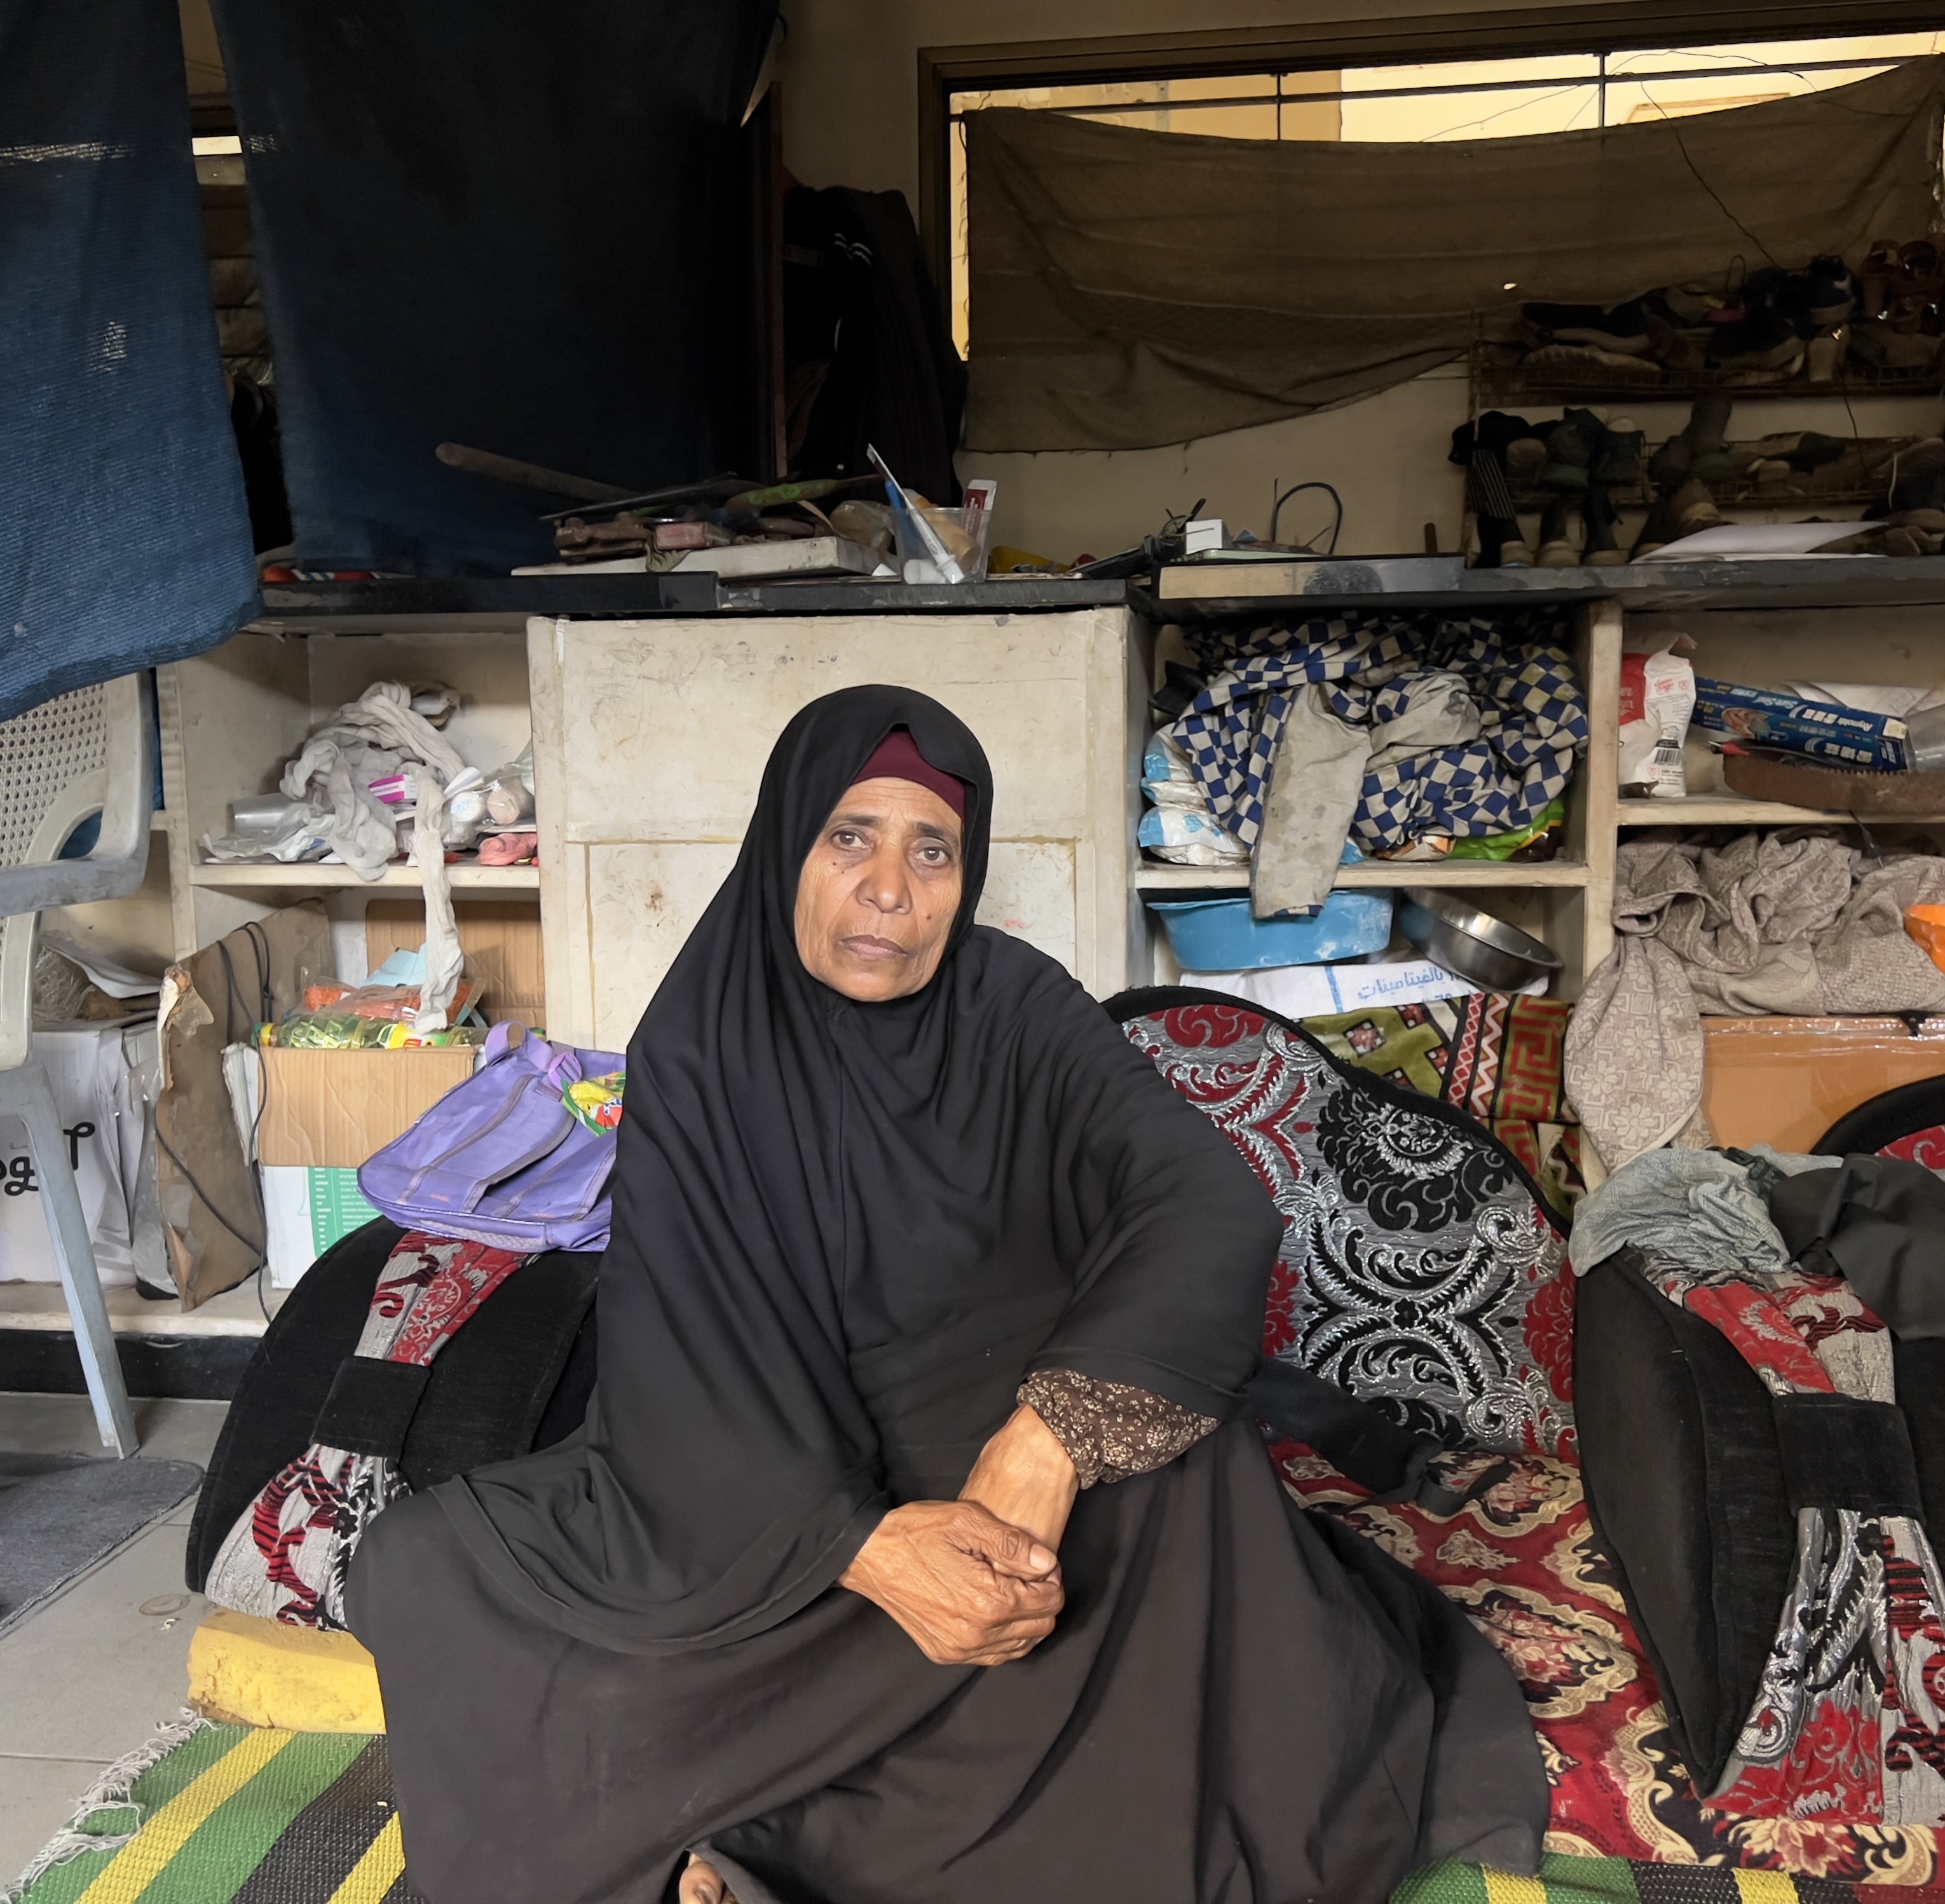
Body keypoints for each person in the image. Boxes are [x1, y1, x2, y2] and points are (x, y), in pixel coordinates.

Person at [348, 685, 1548, 1904]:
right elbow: (682, 1348)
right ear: (786, 850)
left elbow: (1203, 1200)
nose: (890, 889)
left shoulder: (1014, 1006)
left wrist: (1049, 1445)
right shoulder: (701, 1046)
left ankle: (759, 1834)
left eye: (934, 850)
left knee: (1170, 1497)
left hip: (1026, 1458)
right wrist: (858, 1545)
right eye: (850, 838)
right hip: (764, 1473)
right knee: (427, 1565)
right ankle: (779, 1816)